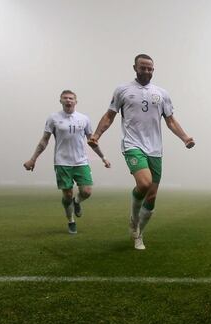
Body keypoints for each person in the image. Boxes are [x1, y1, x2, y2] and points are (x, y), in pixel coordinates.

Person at [88, 54, 196, 250]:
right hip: (132, 145)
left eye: (150, 69)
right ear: (135, 68)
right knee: (144, 183)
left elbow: (170, 120)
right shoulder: (123, 90)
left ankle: (139, 234)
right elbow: (109, 115)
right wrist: (96, 135)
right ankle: (133, 217)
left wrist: (185, 138)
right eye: (143, 68)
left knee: (152, 197)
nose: (147, 71)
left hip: (155, 149)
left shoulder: (161, 93)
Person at [24, 90, 111, 235]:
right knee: (67, 195)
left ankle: (77, 202)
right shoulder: (53, 118)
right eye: (65, 98)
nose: (68, 100)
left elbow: (92, 141)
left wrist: (103, 157)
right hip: (62, 162)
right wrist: (33, 159)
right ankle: (71, 221)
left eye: (71, 98)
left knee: (87, 191)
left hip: (81, 161)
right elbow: (44, 140)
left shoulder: (84, 119)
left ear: (76, 101)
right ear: (60, 101)